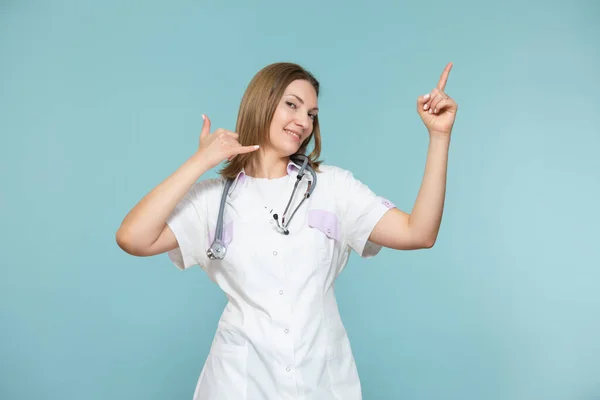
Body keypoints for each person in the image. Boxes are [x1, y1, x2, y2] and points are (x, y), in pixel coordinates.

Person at [116, 61, 457, 399]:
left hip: (321, 384)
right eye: (292, 105)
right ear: (261, 103)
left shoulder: (334, 187)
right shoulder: (211, 201)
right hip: (239, 384)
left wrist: (439, 137)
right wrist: (200, 162)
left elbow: (419, 233)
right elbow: (132, 237)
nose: (303, 122)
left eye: (311, 113)